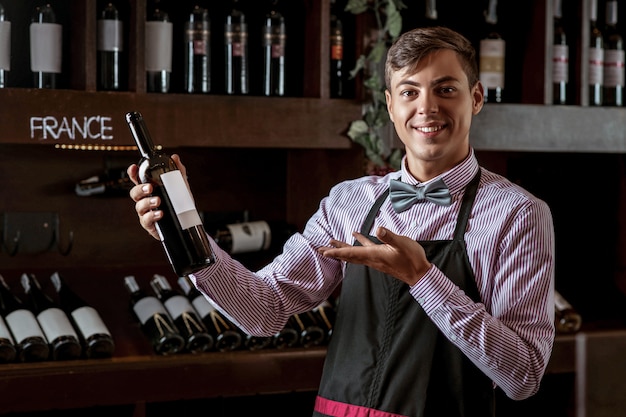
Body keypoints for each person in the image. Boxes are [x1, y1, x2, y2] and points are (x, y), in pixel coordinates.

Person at [128, 26, 555, 417]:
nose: (427, 107)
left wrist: (424, 278)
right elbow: (265, 311)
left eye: (445, 89)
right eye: (409, 92)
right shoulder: (350, 201)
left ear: (476, 98)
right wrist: (184, 233)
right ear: (390, 105)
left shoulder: (517, 214)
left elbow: (523, 375)